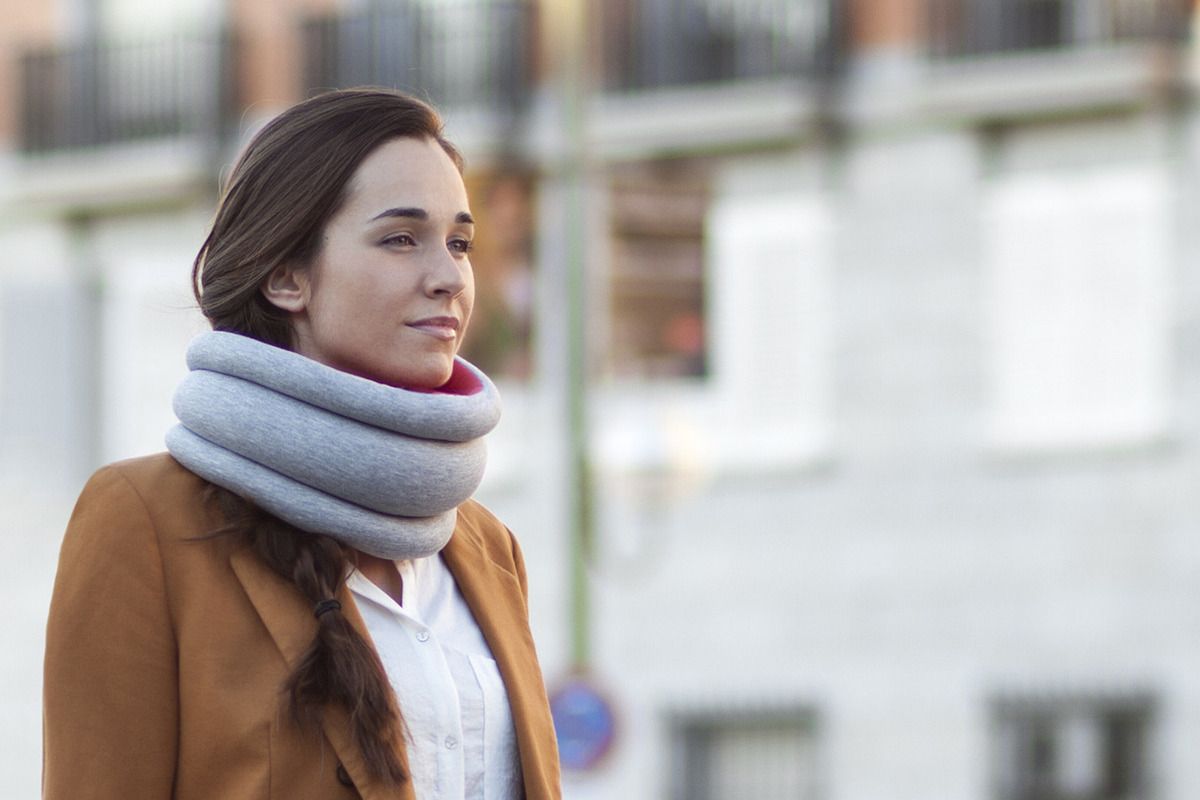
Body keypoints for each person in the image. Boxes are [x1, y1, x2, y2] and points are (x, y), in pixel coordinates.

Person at [43, 88, 561, 799]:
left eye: (460, 243)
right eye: (400, 239)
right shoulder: (145, 520)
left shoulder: (485, 546)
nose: (448, 278)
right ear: (287, 276)